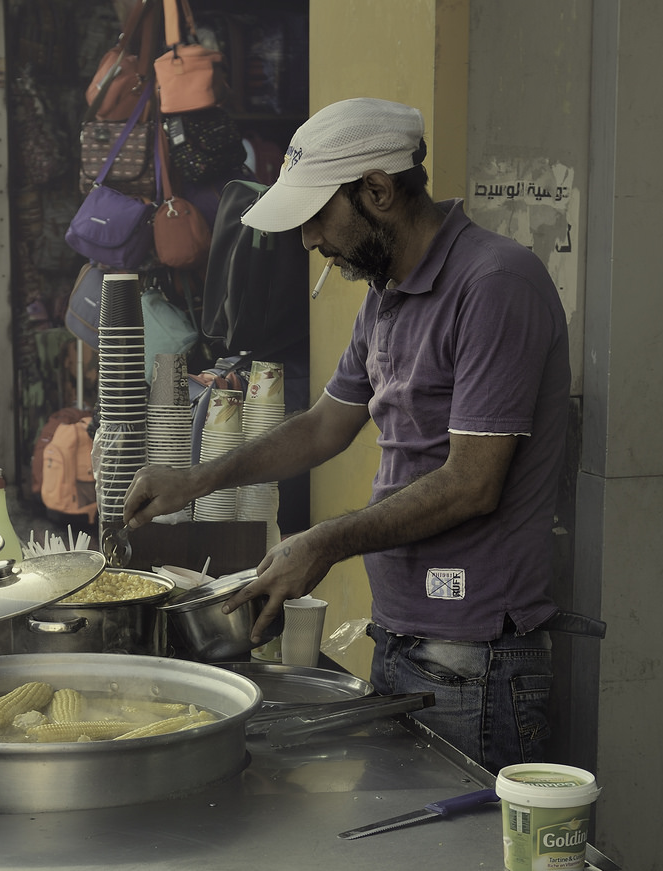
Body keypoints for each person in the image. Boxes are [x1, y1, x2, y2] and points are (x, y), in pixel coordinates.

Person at [120, 98, 572, 772]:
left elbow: (473, 484)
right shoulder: (386, 296)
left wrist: (324, 540)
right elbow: (325, 424)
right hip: (402, 636)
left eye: (316, 218)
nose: (307, 241)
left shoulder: (495, 285)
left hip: (478, 656)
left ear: (378, 191)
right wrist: (197, 478)